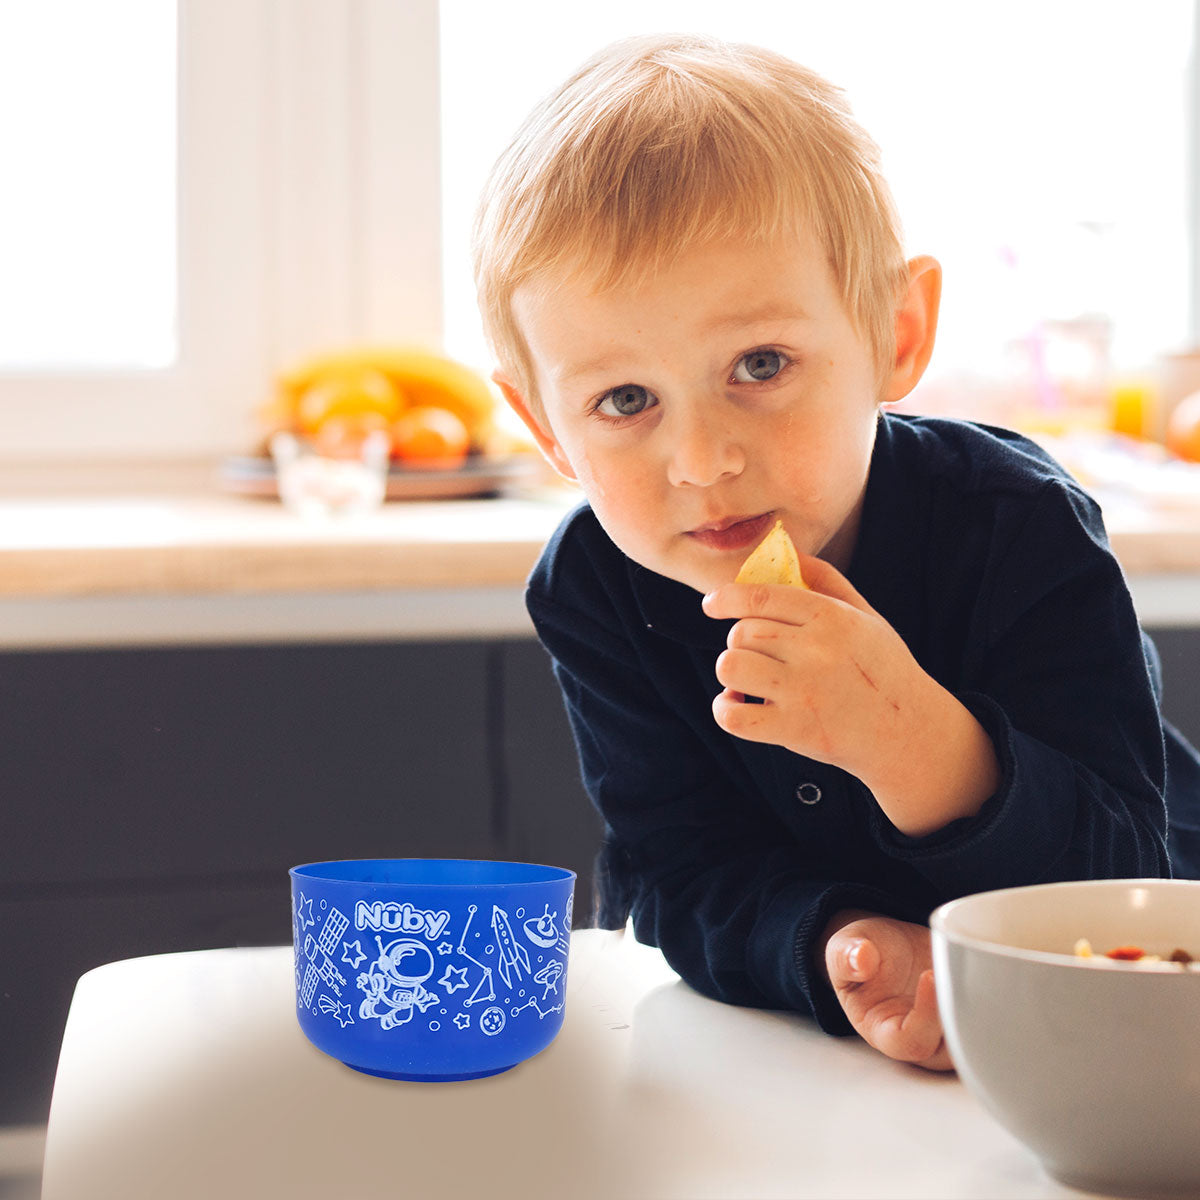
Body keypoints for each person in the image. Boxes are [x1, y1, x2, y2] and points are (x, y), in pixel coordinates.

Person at [471, 33, 1200, 1070]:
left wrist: (912, 742)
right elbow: (681, 879)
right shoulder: (595, 589)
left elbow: (1128, 866)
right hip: (829, 1068)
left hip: (1128, 1024)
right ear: (546, 429)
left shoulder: (1015, 522)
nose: (704, 460)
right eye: (625, 400)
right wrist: (835, 948)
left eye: (759, 365)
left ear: (895, 335)